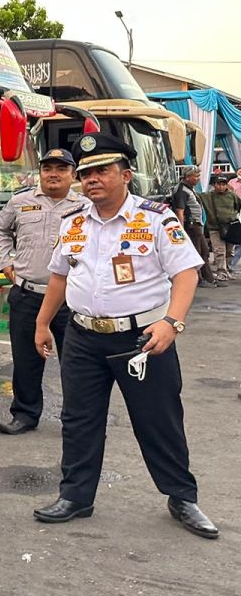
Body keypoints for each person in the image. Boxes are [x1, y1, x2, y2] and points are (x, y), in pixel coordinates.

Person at [32, 132, 218, 539]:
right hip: (82, 337)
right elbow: (61, 275)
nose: (91, 179)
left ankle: (181, 497)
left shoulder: (154, 219)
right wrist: (43, 322)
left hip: (142, 340)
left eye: (101, 170)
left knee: (159, 421)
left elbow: (186, 272)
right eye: (85, 173)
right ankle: (76, 496)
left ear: (126, 174)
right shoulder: (74, 222)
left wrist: (172, 322)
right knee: (78, 420)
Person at [0, 148, 86, 435]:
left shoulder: (85, 207)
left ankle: (78, 419)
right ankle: (24, 414)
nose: (53, 174)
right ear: (40, 173)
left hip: (71, 298)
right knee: (25, 359)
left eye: (61, 168)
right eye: (47, 169)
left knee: (77, 362)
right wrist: (6, 263)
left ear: (73, 174)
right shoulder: (21, 202)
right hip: (28, 294)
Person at [170, 168, 220, 288]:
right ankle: (198, 279)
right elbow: (179, 211)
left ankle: (209, 278)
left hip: (197, 224)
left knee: (204, 251)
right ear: (187, 177)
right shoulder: (181, 190)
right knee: (195, 253)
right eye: (195, 176)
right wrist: (181, 230)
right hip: (190, 225)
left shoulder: (189, 188)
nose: (197, 179)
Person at [201, 174, 241, 281]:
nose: (221, 187)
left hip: (231, 227)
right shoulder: (207, 196)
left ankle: (227, 269)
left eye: (223, 184)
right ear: (214, 185)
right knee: (219, 251)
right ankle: (221, 271)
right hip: (214, 227)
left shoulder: (232, 196)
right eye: (219, 184)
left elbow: (238, 206)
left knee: (230, 251)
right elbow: (195, 196)